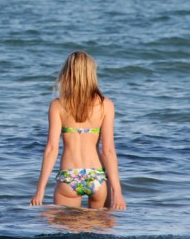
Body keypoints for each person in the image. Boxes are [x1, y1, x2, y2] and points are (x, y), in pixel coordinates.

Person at [30, 51, 126, 210]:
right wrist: (118, 191)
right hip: (97, 177)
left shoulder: (58, 105)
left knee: (67, 226)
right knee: (99, 226)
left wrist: (40, 191)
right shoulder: (105, 105)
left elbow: (52, 149)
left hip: (69, 177)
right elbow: (108, 150)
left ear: (67, 73)